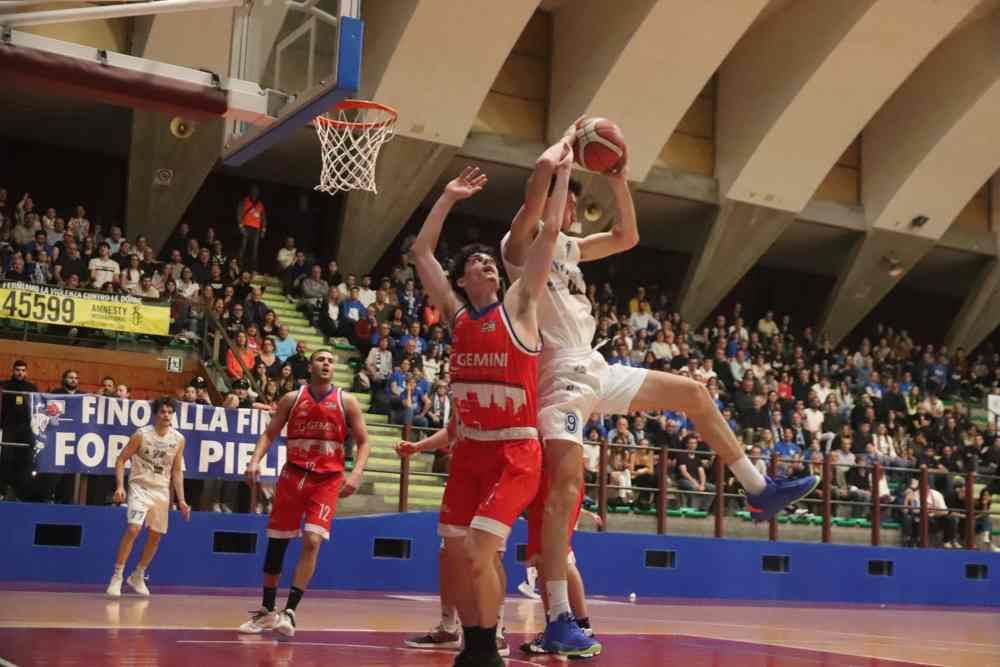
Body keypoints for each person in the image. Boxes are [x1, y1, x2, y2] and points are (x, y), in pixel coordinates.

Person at [500, 119, 818, 657]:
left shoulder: (570, 250)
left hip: (593, 367)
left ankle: (757, 488)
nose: (570, 205)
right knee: (564, 490)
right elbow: (541, 173)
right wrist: (570, 148)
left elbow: (627, 237)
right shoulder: (519, 246)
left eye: (571, 199)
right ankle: (556, 617)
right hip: (559, 379)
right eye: (565, 198)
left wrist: (618, 180)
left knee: (694, 393)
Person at [407, 152, 569, 667]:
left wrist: (561, 176)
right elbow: (421, 251)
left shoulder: (520, 306)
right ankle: (478, 644)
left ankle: (486, 646)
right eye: (477, 263)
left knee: (481, 547)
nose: (487, 264)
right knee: (457, 553)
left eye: (489, 261)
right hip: (470, 453)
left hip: (515, 452)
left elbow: (548, 235)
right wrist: (448, 197)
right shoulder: (456, 316)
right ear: (462, 281)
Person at [239, 349, 370, 639]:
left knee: (312, 540)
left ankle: (290, 611)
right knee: (277, 543)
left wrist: (356, 474)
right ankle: (267, 610)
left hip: (327, 479)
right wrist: (254, 461)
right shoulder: (292, 398)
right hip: (293, 475)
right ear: (310, 366)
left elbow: (364, 442)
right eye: (321, 359)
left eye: (330, 361)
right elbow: (269, 433)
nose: (326, 363)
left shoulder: (346, 401)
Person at [106, 397, 190, 597]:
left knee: (156, 535)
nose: (166, 415)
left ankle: (138, 575)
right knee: (134, 528)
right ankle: (117, 576)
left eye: (170, 412)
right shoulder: (141, 434)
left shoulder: (178, 439)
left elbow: (177, 471)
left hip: (161, 490)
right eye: (163, 412)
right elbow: (121, 460)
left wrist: (181, 500)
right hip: (140, 487)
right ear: (156, 414)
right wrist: (120, 486)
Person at [0, 360, 38, 501]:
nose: (20, 373)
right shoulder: (5, 386)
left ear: (26, 372)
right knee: (6, 459)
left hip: (26, 428)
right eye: (17, 370)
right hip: (8, 427)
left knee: (25, 460)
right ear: (13, 370)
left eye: (23, 370)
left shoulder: (32, 388)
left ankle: (21, 493)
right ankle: (4, 490)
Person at [237, 184, 266, 273]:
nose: (255, 193)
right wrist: (241, 226)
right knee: (243, 248)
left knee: (254, 250)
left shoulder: (260, 204)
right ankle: (240, 267)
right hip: (246, 227)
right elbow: (239, 213)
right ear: (250, 192)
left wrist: (263, 229)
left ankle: (253, 269)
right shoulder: (245, 200)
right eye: (253, 191)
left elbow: (263, 217)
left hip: (256, 229)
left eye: (256, 192)